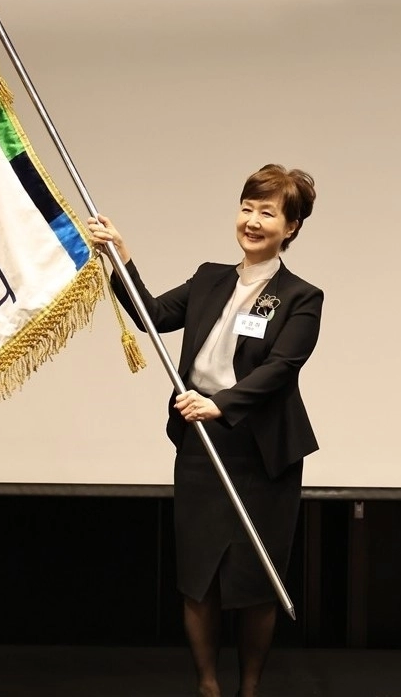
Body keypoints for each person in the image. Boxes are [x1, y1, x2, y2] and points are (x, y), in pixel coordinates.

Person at [86, 164, 322, 697]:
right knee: (199, 577)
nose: (252, 221)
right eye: (247, 208)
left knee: (257, 580)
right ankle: (208, 687)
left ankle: (250, 689)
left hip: (263, 453)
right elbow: (149, 315)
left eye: (267, 213)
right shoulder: (209, 278)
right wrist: (121, 256)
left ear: (290, 227)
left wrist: (221, 404)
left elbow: (281, 367)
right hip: (201, 447)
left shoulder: (301, 296)